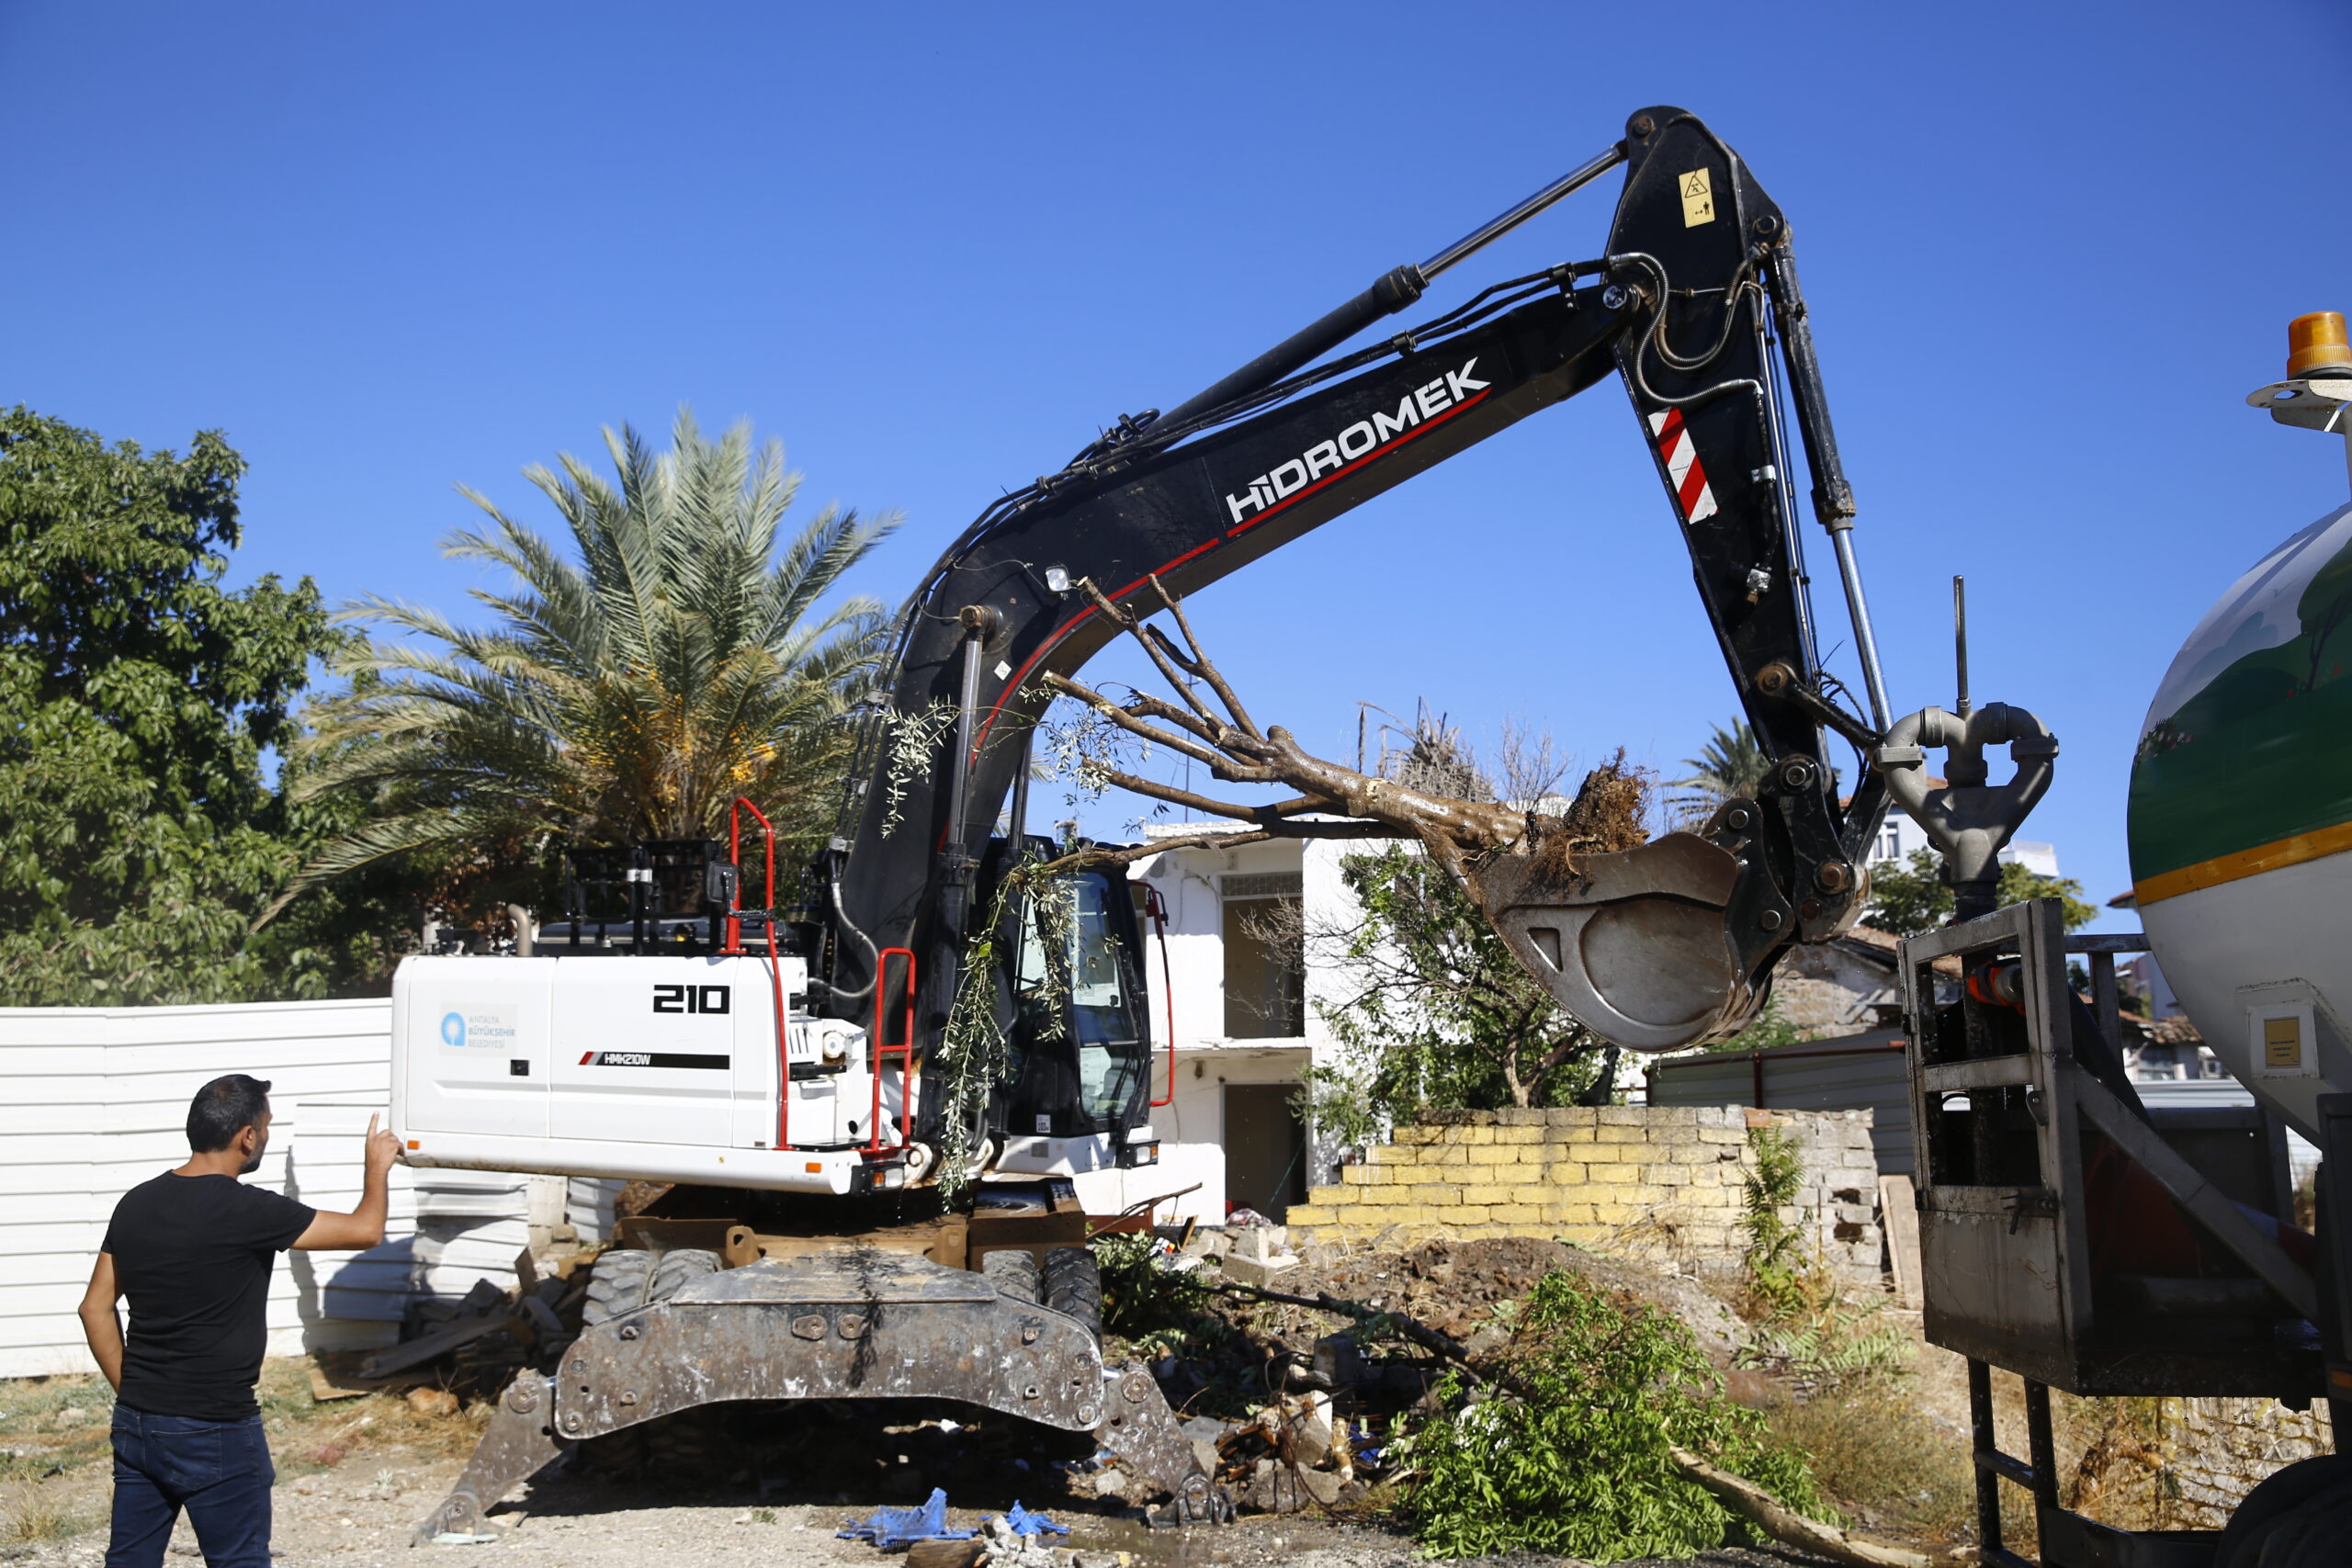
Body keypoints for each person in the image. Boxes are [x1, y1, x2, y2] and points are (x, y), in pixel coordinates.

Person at [76, 1074, 400, 1568]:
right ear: (246, 1137)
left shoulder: (135, 1202)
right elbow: (366, 1230)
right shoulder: (249, 1209)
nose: (265, 1135)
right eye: (266, 1126)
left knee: (129, 1560)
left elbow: (94, 1306)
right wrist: (376, 1167)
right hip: (217, 1426)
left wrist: (137, 1391)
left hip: (138, 1422)